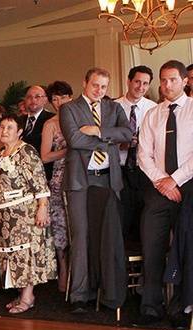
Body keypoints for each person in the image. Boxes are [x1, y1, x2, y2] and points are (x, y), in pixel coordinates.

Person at [60, 67, 132, 314]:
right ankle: (80, 295)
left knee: (107, 236)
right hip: (81, 181)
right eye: (95, 86)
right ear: (84, 83)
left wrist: (98, 131)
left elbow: (128, 133)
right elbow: (74, 140)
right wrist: (109, 139)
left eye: (103, 87)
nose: (99, 91)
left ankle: (107, 292)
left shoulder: (113, 108)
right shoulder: (69, 108)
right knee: (81, 237)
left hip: (109, 180)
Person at [0, 115, 56, 312]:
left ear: (19, 132)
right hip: (6, 215)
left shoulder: (26, 151)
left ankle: (28, 297)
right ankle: (21, 294)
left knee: (24, 253)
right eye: (2, 127)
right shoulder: (1, 155)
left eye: (10, 127)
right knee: (12, 254)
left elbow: (39, 181)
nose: (4, 131)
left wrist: (42, 207)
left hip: (24, 213)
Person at [138, 60, 193, 326]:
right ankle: (150, 307)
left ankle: (182, 309)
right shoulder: (153, 114)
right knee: (152, 246)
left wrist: (176, 179)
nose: (166, 85)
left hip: (189, 187)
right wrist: (163, 181)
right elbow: (143, 155)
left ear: (185, 81)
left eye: (172, 80)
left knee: (186, 248)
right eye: (163, 80)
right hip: (158, 188)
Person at [115, 65, 156, 244]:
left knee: (144, 218)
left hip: (145, 171)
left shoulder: (155, 108)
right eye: (137, 82)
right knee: (121, 218)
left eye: (145, 83)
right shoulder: (113, 107)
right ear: (129, 81)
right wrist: (120, 143)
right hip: (120, 169)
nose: (141, 87)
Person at [40, 81, 73, 292]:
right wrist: (68, 150)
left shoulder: (82, 117)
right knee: (60, 228)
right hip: (60, 178)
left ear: (71, 96)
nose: (58, 102)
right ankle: (63, 269)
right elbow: (44, 157)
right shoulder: (50, 124)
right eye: (54, 99)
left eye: (62, 97)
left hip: (82, 176)